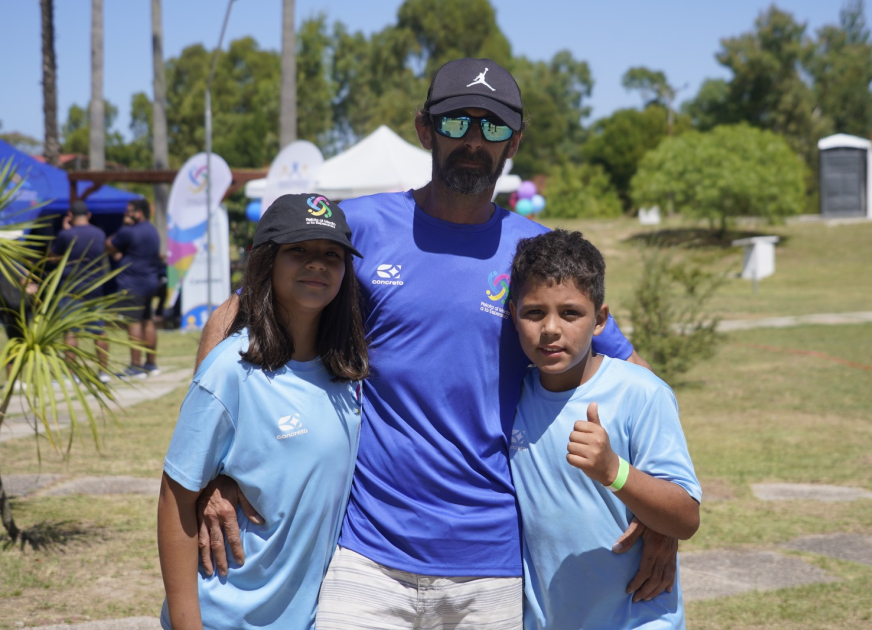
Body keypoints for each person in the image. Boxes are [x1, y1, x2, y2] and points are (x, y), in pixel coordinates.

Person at [196, 57, 678, 628]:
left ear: (514, 142)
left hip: (491, 560)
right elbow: (231, 315)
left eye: (492, 127)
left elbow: (635, 375)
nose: (474, 140)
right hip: (366, 550)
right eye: (456, 123)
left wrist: (657, 512)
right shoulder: (361, 228)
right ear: (425, 129)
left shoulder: (537, 256)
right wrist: (210, 469)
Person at [157, 194, 369, 629]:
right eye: (299, 250)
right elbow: (175, 500)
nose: (317, 263)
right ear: (266, 262)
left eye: (332, 254)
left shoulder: (347, 374)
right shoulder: (231, 369)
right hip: (225, 616)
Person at [507, 229, 701, 629]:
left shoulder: (641, 393)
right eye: (534, 313)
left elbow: (686, 519)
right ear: (513, 315)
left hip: (638, 618)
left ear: (600, 320)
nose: (551, 328)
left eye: (570, 313)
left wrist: (614, 471)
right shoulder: (511, 397)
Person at [49, 200, 110, 381]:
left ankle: (71, 374)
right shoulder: (99, 233)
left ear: (70, 216)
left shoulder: (66, 235)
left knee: (70, 331)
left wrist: (66, 229)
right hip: (94, 288)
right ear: (88, 215)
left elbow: (53, 257)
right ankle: (103, 372)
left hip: (71, 288)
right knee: (99, 330)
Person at [106, 198, 162, 378]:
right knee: (148, 320)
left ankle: (135, 366)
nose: (126, 214)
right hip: (150, 282)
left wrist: (124, 226)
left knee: (133, 322)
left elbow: (109, 244)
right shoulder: (152, 230)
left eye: (129, 211)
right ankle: (151, 364)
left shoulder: (128, 231)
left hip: (133, 284)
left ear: (138, 213)